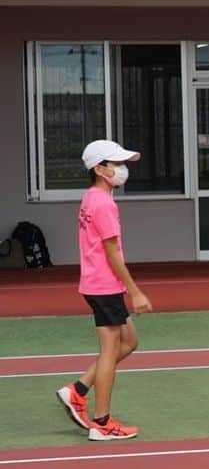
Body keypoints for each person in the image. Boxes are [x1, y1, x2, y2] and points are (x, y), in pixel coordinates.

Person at [55, 139, 151, 441]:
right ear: (99, 168)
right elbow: (112, 253)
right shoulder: (104, 203)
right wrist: (135, 291)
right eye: (117, 163)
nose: (122, 169)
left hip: (99, 284)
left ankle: (78, 390)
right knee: (110, 352)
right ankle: (102, 422)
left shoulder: (91, 197)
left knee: (130, 341)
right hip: (104, 285)